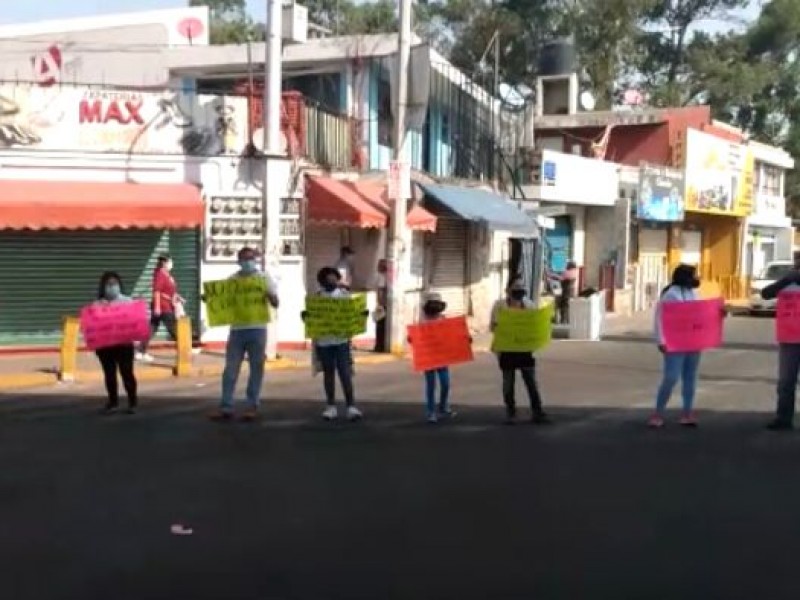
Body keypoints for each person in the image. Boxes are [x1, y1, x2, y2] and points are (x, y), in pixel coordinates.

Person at [209, 247, 279, 422]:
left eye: (250, 258)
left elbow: (276, 302)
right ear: (238, 261)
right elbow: (222, 300)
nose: (247, 262)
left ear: (255, 259)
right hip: (237, 330)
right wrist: (211, 299)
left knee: (256, 369)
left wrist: (270, 295)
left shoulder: (263, 278)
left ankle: (252, 405)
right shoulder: (232, 280)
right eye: (243, 259)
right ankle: (226, 406)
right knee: (230, 370)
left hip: (257, 329)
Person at [648, 264, 705, 429]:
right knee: (671, 377)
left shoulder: (694, 293)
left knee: (690, 377)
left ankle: (687, 413)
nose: (696, 278)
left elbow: (702, 314)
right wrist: (661, 340)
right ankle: (657, 413)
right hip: (675, 342)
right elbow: (659, 318)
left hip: (693, 341)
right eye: (693, 275)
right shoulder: (670, 294)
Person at [305, 267, 363, 422]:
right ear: (322, 281)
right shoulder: (317, 298)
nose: (331, 282)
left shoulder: (344, 297)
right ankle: (330, 406)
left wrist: (361, 316)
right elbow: (311, 318)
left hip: (341, 341)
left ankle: (351, 406)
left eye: (333, 279)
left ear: (337, 280)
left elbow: (353, 315)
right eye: (327, 279)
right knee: (329, 374)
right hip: (324, 342)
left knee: (345, 373)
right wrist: (306, 317)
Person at [491, 278, 550, 425]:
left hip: (524, 350)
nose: (520, 289)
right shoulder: (499, 306)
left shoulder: (529, 305)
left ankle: (538, 412)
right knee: (508, 384)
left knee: (531, 382)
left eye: (522, 287)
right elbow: (493, 326)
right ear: (508, 289)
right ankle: (511, 413)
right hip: (506, 350)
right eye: (516, 286)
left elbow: (534, 326)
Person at [760, 251, 800, 430]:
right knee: (786, 381)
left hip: (790, 338)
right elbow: (766, 294)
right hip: (790, 338)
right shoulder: (787, 283)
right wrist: (786, 280)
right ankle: (783, 418)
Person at [94, 272, 138, 415]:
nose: (112, 287)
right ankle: (113, 402)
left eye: (114, 284)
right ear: (103, 286)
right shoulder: (97, 304)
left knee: (127, 373)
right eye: (109, 284)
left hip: (124, 345)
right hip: (105, 347)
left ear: (119, 285)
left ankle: (132, 402)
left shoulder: (127, 301)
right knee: (109, 374)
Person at [408, 292, 456, 424]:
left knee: (445, 383)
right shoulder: (422, 321)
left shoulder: (443, 319)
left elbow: (452, 336)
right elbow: (414, 338)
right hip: (428, 357)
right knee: (431, 385)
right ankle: (430, 411)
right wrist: (412, 338)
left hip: (441, 357)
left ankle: (443, 406)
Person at [137, 254, 183, 362]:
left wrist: (178, 297)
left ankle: (140, 352)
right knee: (174, 328)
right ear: (165, 263)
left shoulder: (166, 274)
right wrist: (157, 307)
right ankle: (186, 348)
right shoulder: (160, 275)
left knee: (152, 328)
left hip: (165, 305)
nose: (172, 263)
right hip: (163, 306)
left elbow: (169, 290)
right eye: (170, 261)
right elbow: (157, 291)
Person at [373, 259, 388, 353]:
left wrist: (380, 304)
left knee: (380, 326)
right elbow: (380, 291)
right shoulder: (382, 276)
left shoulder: (382, 276)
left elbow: (380, 291)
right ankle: (379, 345)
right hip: (382, 304)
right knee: (381, 326)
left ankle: (379, 346)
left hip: (382, 304)